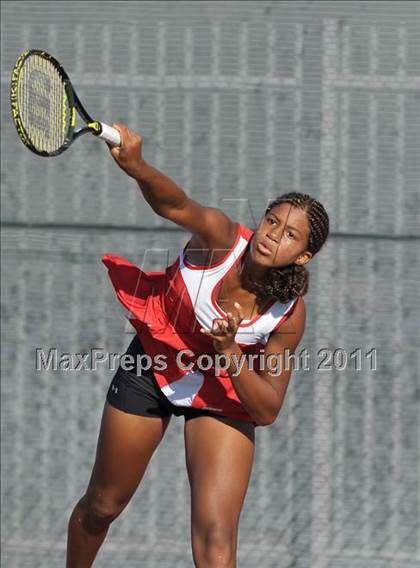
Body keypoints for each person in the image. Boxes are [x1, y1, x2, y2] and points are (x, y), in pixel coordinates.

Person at [66, 123, 330, 568]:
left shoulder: (289, 311)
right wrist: (138, 168)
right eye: (272, 221)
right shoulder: (220, 237)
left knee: (216, 542)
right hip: (154, 363)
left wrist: (228, 351)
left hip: (221, 386)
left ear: (303, 254)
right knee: (102, 506)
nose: (272, 234)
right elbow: (175, 203)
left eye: (290, 234)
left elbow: (266, 409)